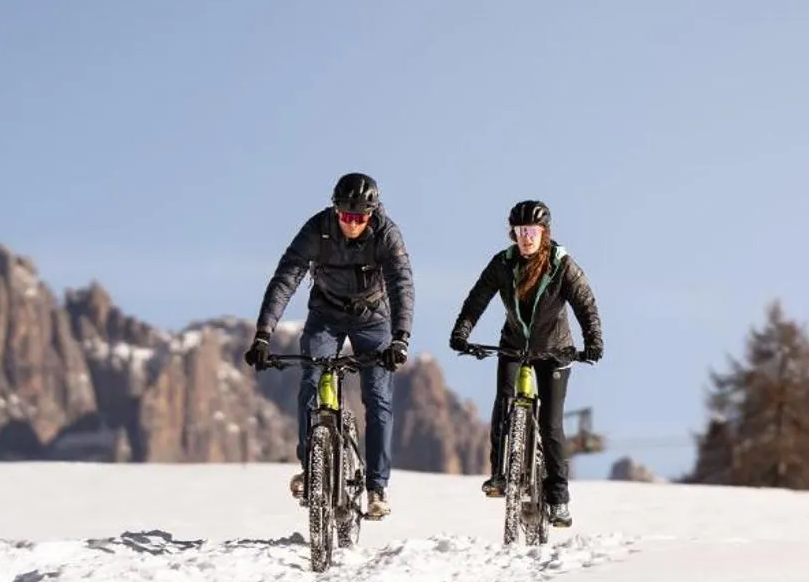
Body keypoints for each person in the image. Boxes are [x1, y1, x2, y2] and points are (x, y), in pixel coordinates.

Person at [243, 172, 414, 519]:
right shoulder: (316, 229)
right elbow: (286, 278)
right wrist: (263, 333)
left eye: (360, 217)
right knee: (311, 380)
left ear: (373, 213)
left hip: (373, 320)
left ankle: (376, 487)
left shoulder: (387, 234)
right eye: (346, 216)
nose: (352, 223)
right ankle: (311, 469)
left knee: (378, 399)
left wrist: (400, 337)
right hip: (326, 316)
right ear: (335, 210)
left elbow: (401, 283)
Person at [447, 199, 603, 528]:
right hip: (514, 346)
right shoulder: (503, 263)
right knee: (504, 404)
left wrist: (593, 342)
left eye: (532, 231)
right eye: (520, 231)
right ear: (513, 233)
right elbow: (478, 297)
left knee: (550, 424)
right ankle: (500, 474)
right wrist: (462, 330)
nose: (526, 237)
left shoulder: (562, 265)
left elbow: (585, 303)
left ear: (544, 233)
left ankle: (558, 498)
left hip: (555, 351)